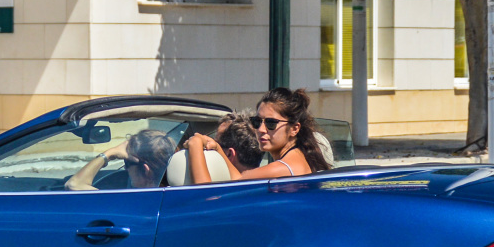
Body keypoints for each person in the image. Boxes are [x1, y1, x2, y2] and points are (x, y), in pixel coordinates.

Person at [185, 88, 332, 183]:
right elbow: (239, 178)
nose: (261, 129)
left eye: (270, 123)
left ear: (294, 129)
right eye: (256, 121)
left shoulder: (283, 168)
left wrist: (195, 144)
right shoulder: (301, 157)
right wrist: (217, 148)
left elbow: (204, 195)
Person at [65, 128, 176, 191]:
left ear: (146, 171)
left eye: (127, 162)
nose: (125, 169)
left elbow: (73, 185)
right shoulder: (183, 199)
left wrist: (109, 154)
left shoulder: (131, 201)